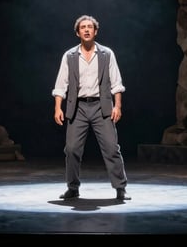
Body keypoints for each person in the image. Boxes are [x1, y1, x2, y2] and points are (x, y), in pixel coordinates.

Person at [52, 14, 130, 201]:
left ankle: (120, 187)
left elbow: (116, 83)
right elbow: (60, 85)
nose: (86, 29)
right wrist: (58, 108)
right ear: (78, 32)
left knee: (111, 148)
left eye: (90, 27)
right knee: (71, 149)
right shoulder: (70, 56)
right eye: (82, 27)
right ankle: (73, 187)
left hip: (100, 106)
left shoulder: (106, 54)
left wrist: (117, 106)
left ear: (95, 31)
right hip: (77, 107)